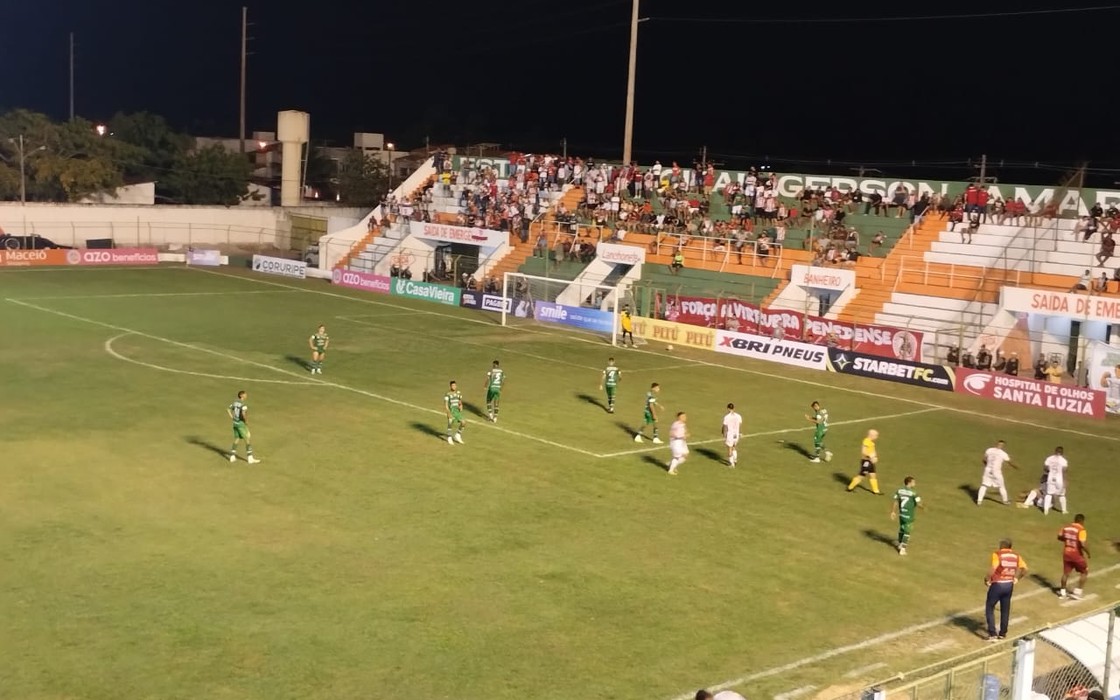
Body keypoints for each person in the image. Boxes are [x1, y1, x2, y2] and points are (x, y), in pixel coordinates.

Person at [984, 538, 1028, 641]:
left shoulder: (997, 554)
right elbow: (1025, 569)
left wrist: (987, 579)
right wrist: (1017, 578)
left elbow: (994, 568)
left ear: (1002, 545)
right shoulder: (1016, 556)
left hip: (998, 584)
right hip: (1009, 585)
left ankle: (992, 634)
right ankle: (1002, 633)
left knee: (989, 607)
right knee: (1005, 609)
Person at [1057, 514, 1091, 600]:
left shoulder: (1066, 527)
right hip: (1076, 554)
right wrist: (1088, 553)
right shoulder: (1081, 530)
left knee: (1066, 573)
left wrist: (1067, 540)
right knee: (1084, 572)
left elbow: (1059, 537)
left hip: (1067, 553)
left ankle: (1062, 593)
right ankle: (1077, 592)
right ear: (1082, 521)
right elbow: (1082, 544)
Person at [890, 476, 924, 556]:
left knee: (902, 528)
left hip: (901, 514)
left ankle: (900, 544)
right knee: (907, 532)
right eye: (913, 482)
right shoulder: (914, 493)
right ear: (909, 483)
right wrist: (923, 507)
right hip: (909, 515)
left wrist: (893, 512)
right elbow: (919, 504)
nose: (915, 483)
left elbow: (896, 501)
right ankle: (903, 549)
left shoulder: (899, 491)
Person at [977, 440, 1017, 506]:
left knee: (984, 485)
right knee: (1001, 486)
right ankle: (1005, 501)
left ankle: (979, 501)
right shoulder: (1003, 454)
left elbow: (984, 459)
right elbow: (1010, 462)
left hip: (988, 470)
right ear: (1003, 446)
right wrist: (1016, 467)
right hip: (996, 472)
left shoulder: (989, 450)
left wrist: (987, 466)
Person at [227, 390, 260, 464]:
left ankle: (232, 456)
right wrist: (246, 421)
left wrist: (232, 417)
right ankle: (250, 458)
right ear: (241, 396)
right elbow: (243, 413)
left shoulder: (235, 402)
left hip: (235, 423)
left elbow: (228, 409)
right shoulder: (243, 405)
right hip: (240, 424)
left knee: (237, 439)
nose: (246, 395)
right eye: (245, 394)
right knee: (247, 439)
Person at [846, 429, 881, 494]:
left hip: (870, 461)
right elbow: (863, 452)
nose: (877, 437)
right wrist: (871, 456)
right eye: (876, 435)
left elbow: (872, 451)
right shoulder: (866, 441)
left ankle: (876, 491)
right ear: (871, 435)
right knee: (861, 475)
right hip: (866, 462)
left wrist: (875, 457)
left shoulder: (871, 442)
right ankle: (850, 487)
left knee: (873, 475)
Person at [1042, 446, 1070, 515]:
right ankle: (1064, 510)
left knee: (1049, 494)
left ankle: (1046, 510)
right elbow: (1064, 471)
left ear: (1055, 451)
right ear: (1062, 452)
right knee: (1062, 494)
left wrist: (1051, 471)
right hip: (1059, 479)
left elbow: (1045, 468)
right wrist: (1065, 481)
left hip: (1050, 478)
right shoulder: (1063, 461)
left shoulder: (1049, 458)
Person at [444, 380, 465, 445]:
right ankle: (449, 437)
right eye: (452, 385)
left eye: (455, 385)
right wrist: (448, 413)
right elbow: (446, 405)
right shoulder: (448, 394)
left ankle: (457, 435)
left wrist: (461, 406)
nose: (454, 386)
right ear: (450, 386)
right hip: (451, 410)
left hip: (457, 411)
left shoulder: (458, 393)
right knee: (451, 423)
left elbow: (460, 402)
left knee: (463, 422)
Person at [722, 402, 743, 467]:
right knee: (734, 447)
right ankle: (735, 460)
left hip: (730, 434)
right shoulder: (738, 416)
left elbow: (725, 426)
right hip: (736, 434)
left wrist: (724, 434)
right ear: (734, 408)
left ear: (728, 408)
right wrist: (739, 432)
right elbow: (740, 424)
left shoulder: (727, 417)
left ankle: (731, 464)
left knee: (729, 449)